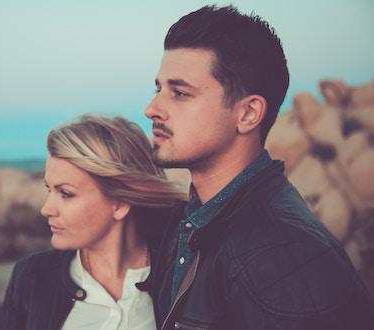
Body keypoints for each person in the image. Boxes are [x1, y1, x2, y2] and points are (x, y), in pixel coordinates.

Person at [145, 5, 374, 330]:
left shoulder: (284, 261)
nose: (152, 108)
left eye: (179, 93)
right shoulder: (198, 221)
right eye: (159, 89)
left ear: (249, 114)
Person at [1, 115, 186, 330]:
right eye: (49, 190)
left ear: (120, 204)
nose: (46, 209)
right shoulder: (31, 277)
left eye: (66, 193)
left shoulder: (184, 278)